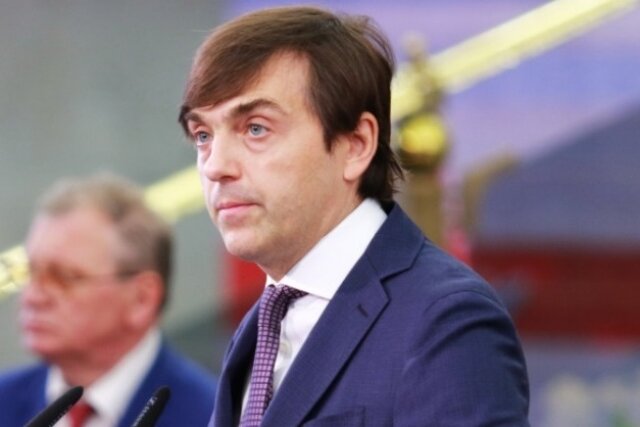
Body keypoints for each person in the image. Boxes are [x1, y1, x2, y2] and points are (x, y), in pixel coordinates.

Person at [178, 6, 529, 426]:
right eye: (203, 135)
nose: (216, 166)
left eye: (256, 128)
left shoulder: (447, 319)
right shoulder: (264, 324)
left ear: (356, 145)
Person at [0, 173, 216, 427]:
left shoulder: (214, 416)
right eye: (30, 271)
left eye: (64, 277)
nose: (32, 296)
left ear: (142, 299)